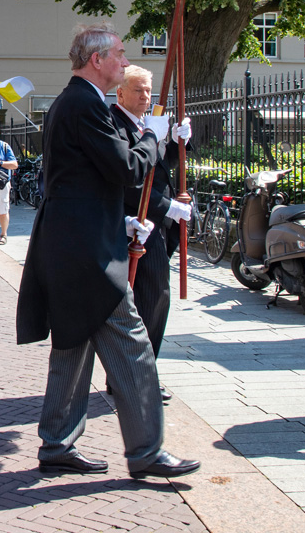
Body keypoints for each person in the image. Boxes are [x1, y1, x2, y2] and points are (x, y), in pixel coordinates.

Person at [16, 23, 197, 480]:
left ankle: (57, 443)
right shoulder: (85, 104)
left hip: (75, 241)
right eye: (118, 53)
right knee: (135, 347)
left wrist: (122, 222)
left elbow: (90, 179)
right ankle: (147, 451)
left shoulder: (71, 102)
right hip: (87, 254)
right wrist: (154, 137)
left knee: (74, 347)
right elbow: (127, 168)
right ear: (96, 59)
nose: (124, 59)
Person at [111, 66, 193, 403]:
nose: (146, 97)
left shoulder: (148, 123)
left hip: (157, 225)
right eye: (138, 91)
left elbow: (160, 165)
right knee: (150, 297)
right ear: (120, 93)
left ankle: (138, 372)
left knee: (155, 299)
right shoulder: (116, 125)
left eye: (148, 91)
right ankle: (135, 375)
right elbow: (131, 180)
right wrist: (167, 207)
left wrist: (175, 142)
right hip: (137, 223)